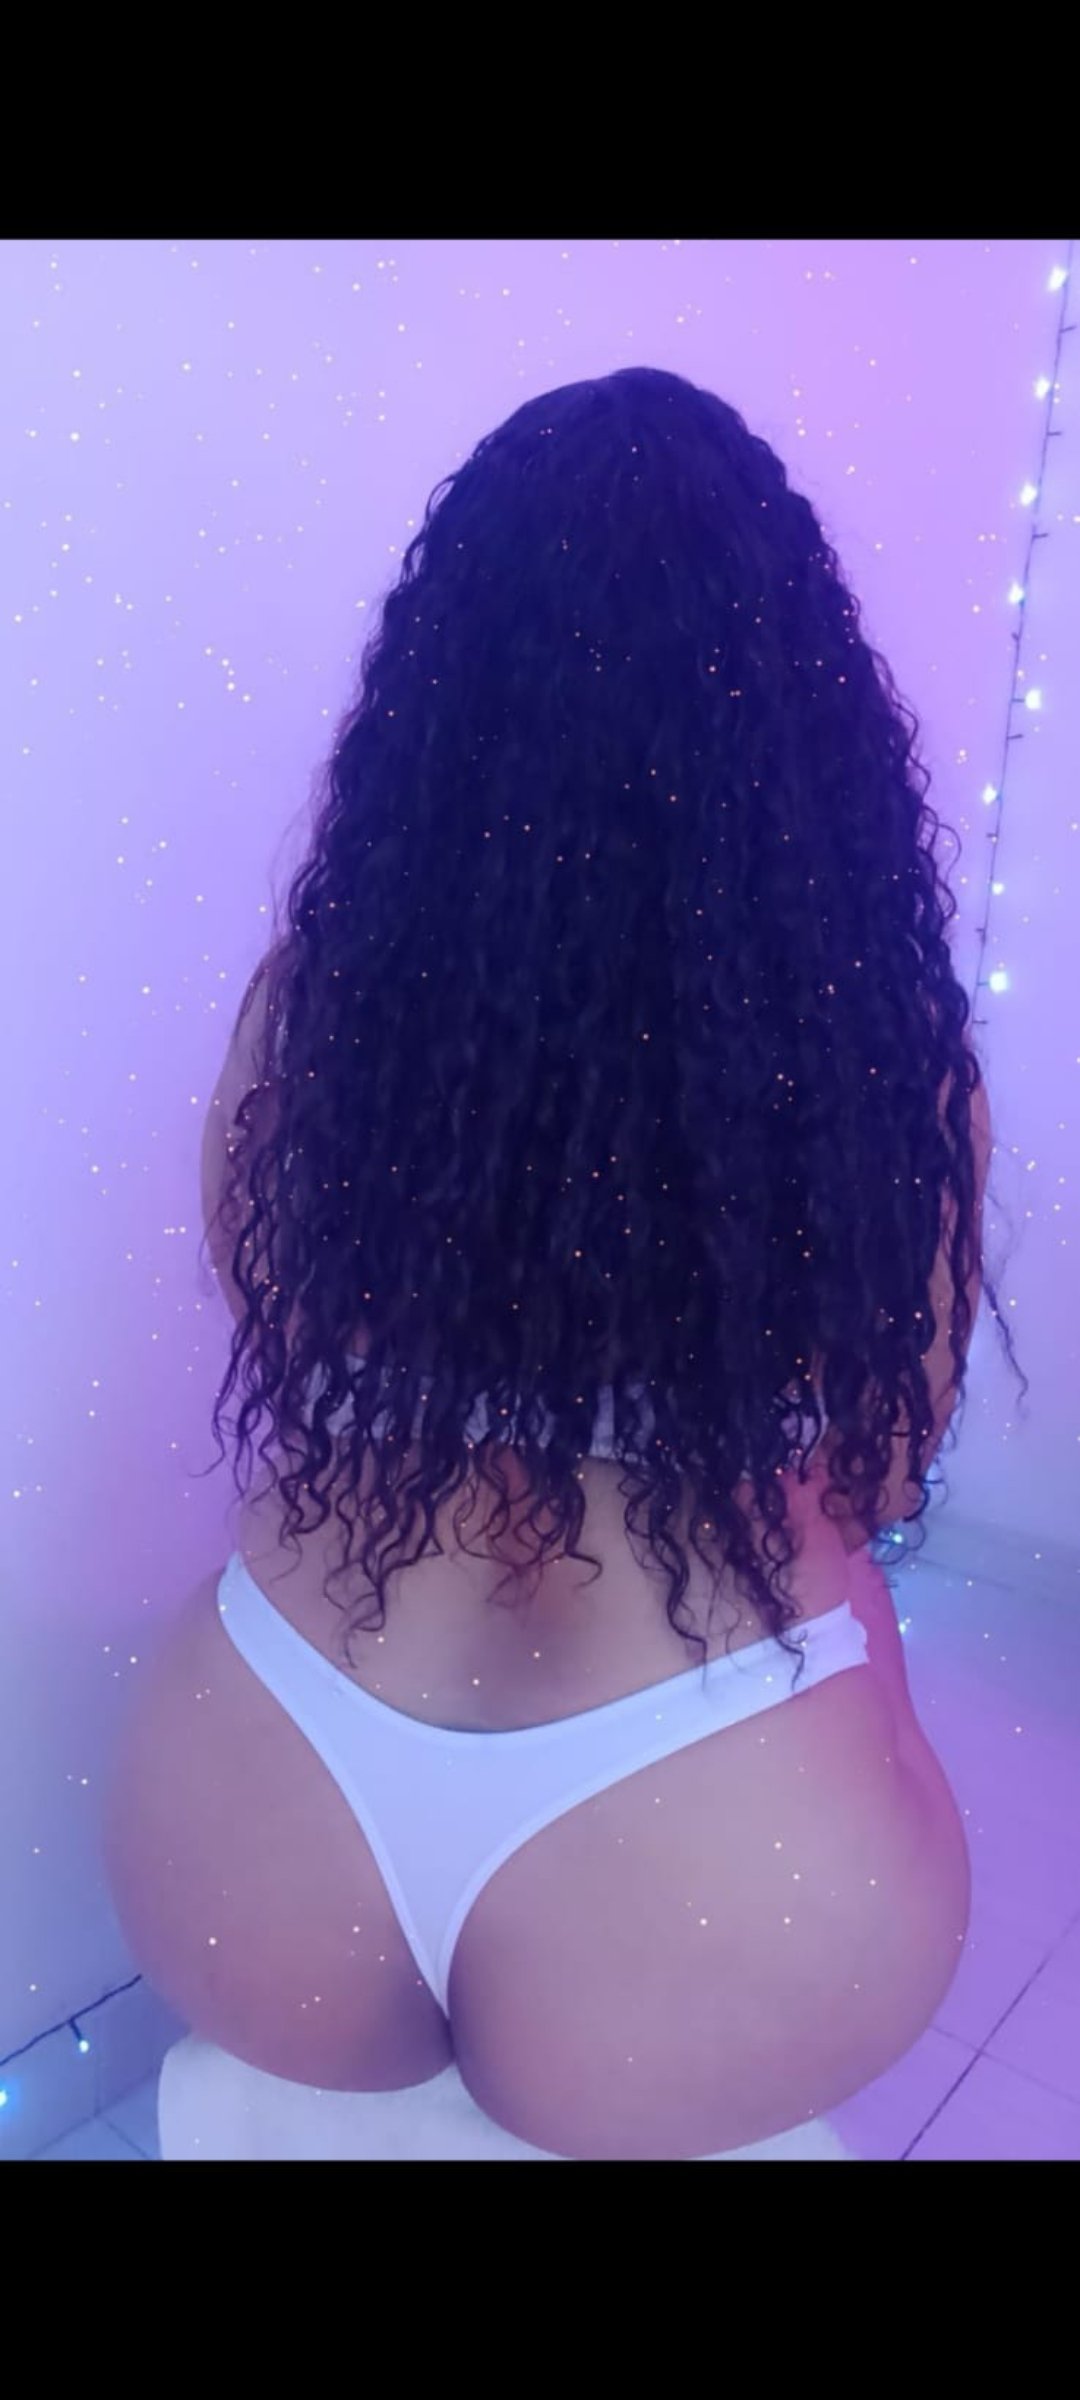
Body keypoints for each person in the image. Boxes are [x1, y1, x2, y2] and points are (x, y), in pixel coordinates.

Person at [106, 366, 1015, 2161]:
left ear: (439, 713)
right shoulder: (888, 1072)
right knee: (863, 1629)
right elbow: (887, 1464)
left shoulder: (322, 1002)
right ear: (802, 734)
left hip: (263, 1788)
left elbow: (272, 1303)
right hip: (717, 1852)